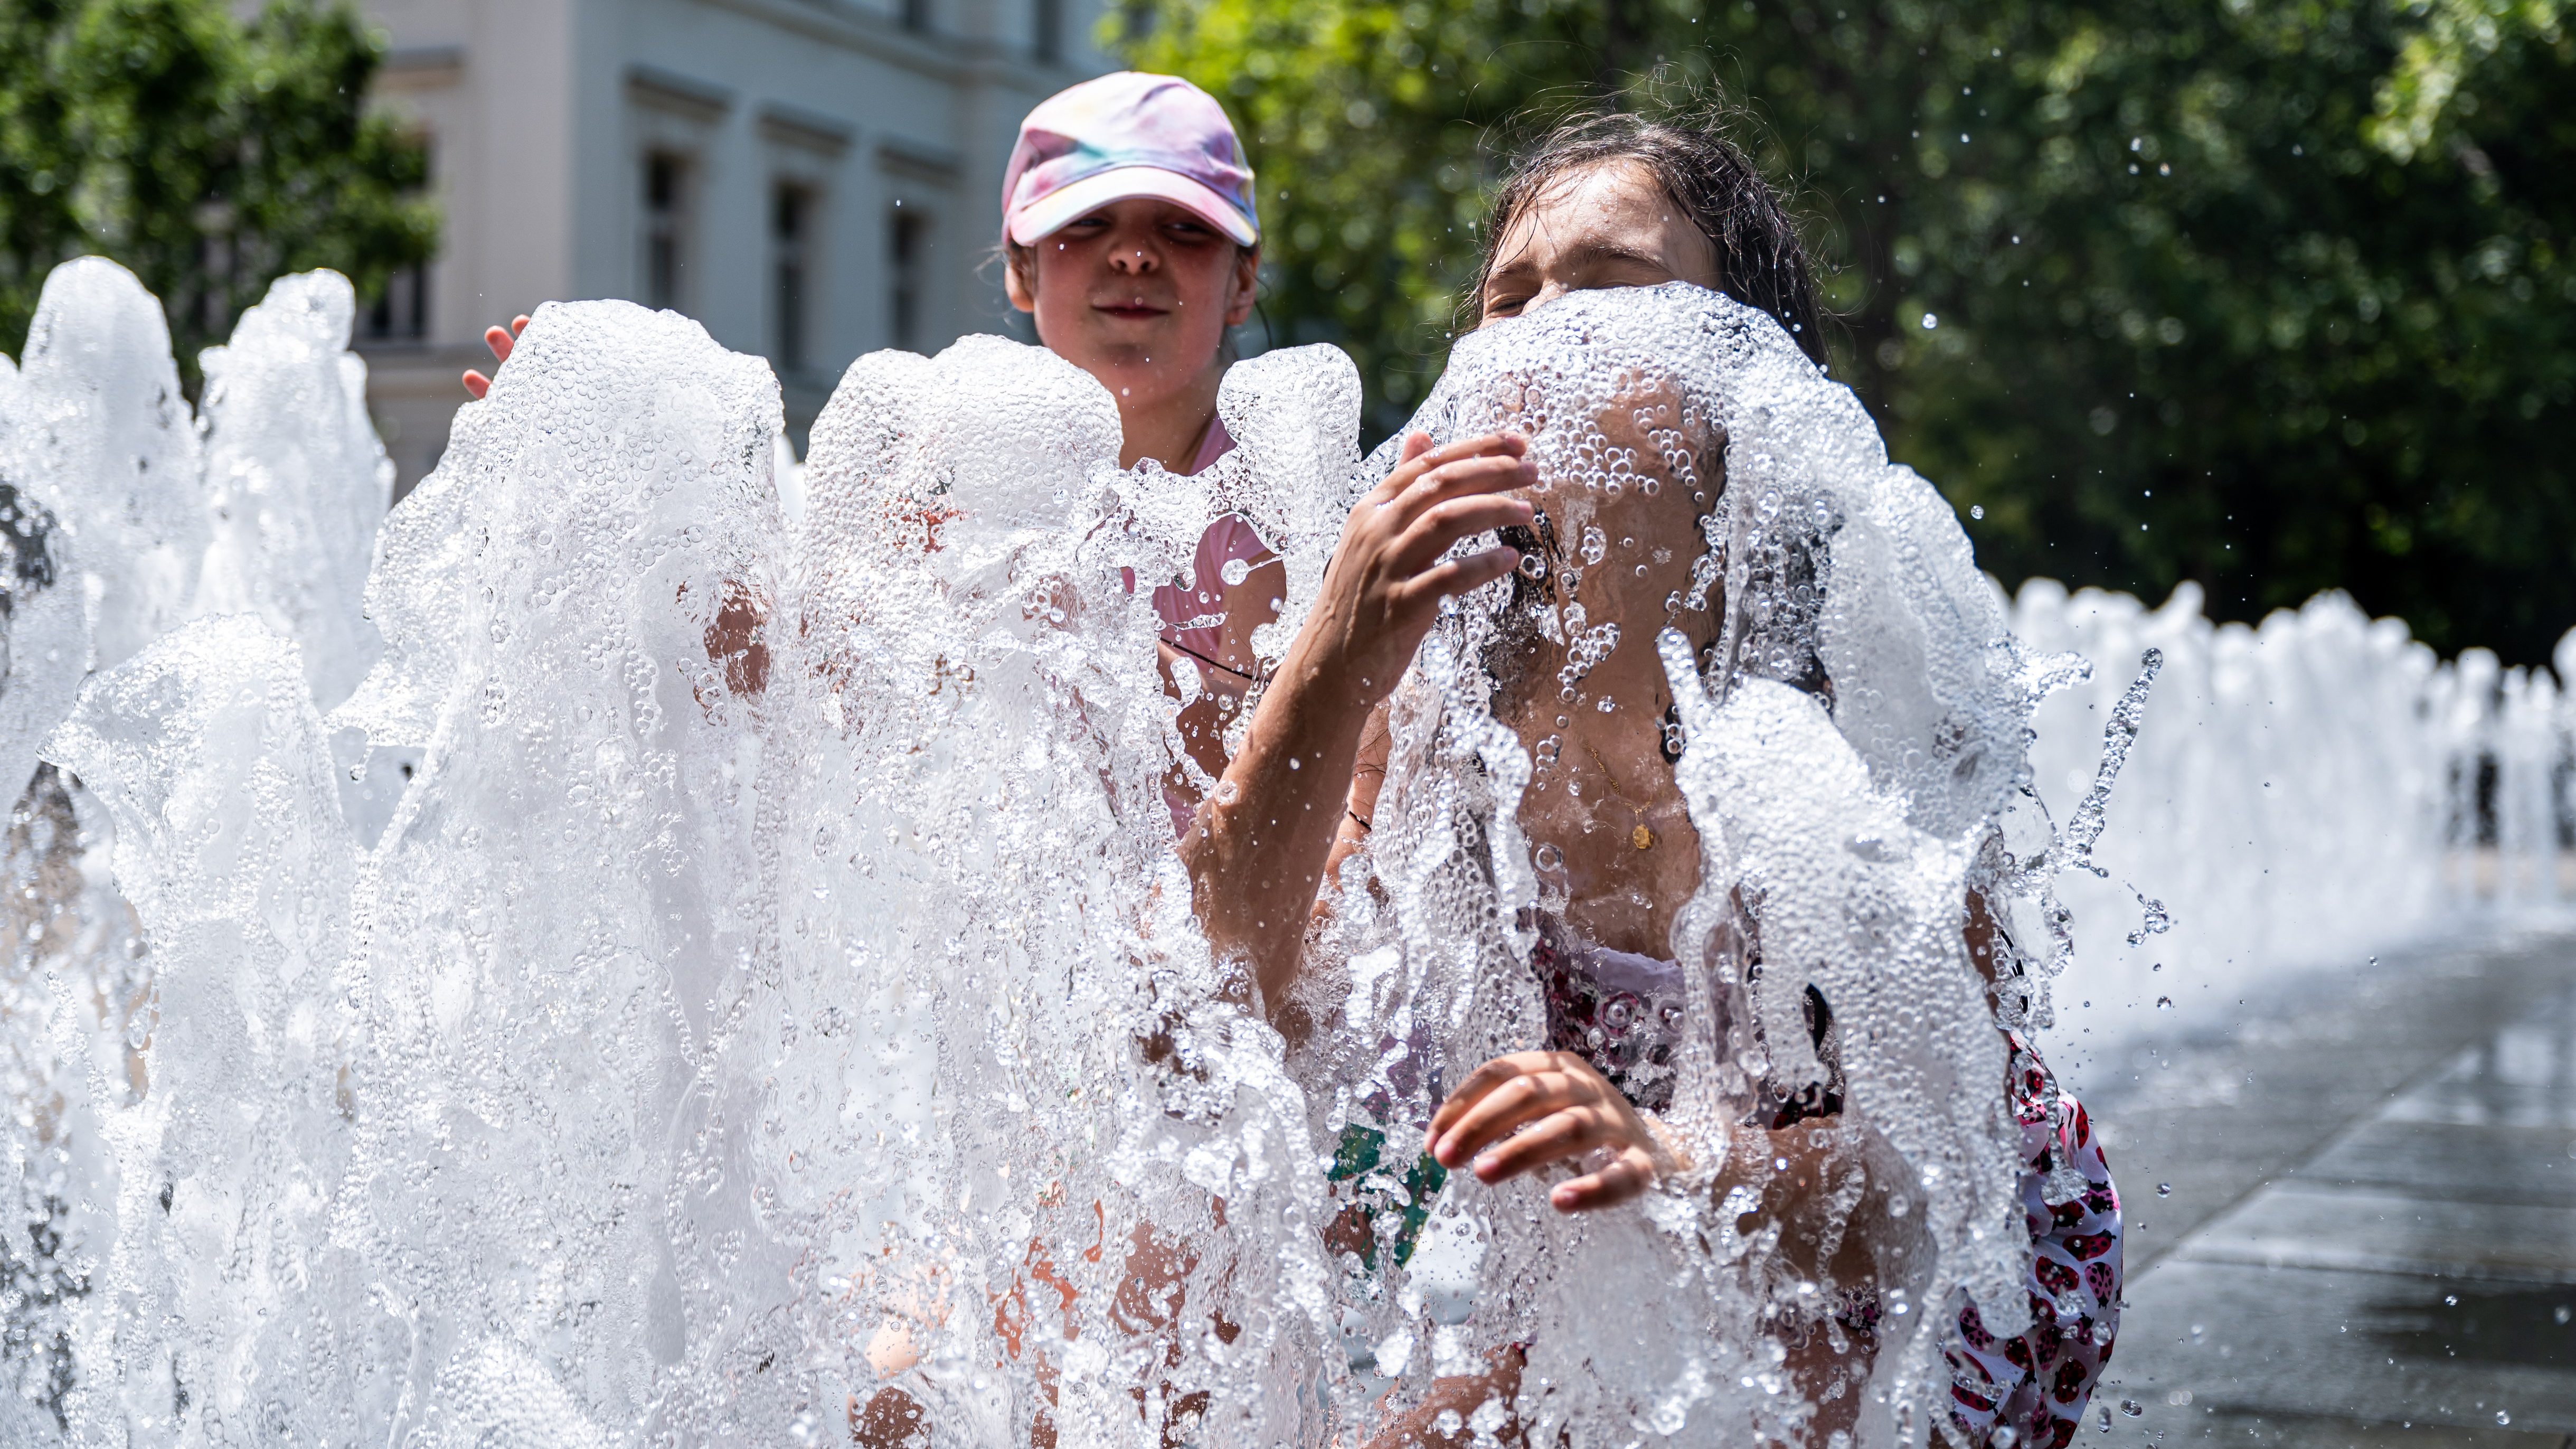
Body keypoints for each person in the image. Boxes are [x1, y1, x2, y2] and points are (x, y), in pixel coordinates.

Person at [1186, 109, 2121, 1449]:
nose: (1541, 334)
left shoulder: (1843, 681)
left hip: (1928, 1271)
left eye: (1608, 290)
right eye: (1507, 303)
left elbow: (1927, 1161)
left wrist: (1677, 1153)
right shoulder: (1435, 676)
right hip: (1628, 1253)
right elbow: (1228, 990)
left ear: (1740, 359)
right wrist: (1329, 660)